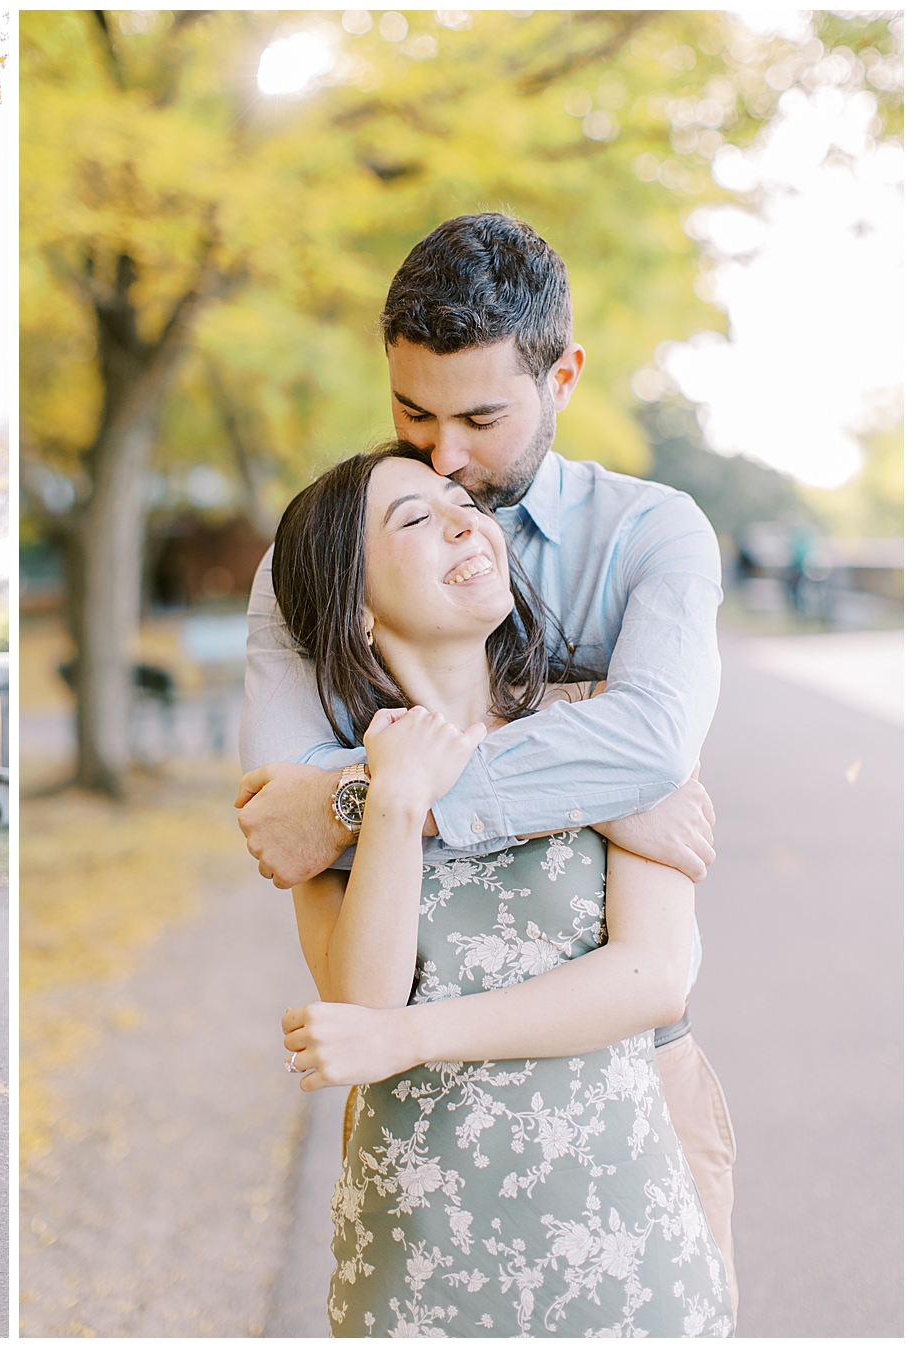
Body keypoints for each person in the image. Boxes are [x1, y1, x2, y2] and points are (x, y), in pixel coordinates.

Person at [236, 214, 738, 1313]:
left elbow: (652, 748)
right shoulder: (312, 561)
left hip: (629, 1105)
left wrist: (380, 787)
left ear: (561, 376)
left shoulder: (651, 535)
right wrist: (583, 787)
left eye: (480, 420)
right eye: (414, 414)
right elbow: (284, 812)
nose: (446, 460)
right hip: (427, 1188)